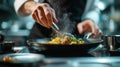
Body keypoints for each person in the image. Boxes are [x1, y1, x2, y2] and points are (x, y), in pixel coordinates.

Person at [14, 0, 105, 39]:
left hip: (77, 44)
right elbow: (19, 1)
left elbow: (94, 8)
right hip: (40, 41)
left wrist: (90, 19)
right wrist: (33, 6)